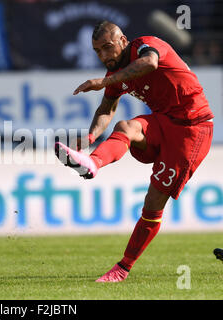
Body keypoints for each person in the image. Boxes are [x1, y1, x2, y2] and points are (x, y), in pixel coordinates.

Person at [55, 21, 214, 282]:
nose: (104, 56)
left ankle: (123, 268)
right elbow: (106, 108)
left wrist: (102, 81)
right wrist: (91, 136)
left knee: (152, 204)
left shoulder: (145, 46)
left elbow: (150, 63)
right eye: (98, 51)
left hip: (192, 129)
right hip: (164, 121)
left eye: (108, 47)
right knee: (125, 126)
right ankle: (92, 163)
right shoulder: (118, 73)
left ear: (123, 40)